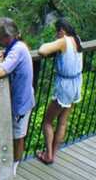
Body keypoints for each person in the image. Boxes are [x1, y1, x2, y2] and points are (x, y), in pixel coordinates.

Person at [34, 19, 83, 164]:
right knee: (62, 122)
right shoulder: (77, 39)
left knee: (47, 121)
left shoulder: (63, 41)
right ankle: (53, 153)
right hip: (76, 83)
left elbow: (42, 50)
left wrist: (54, 42)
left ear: (62, 30)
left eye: (57, 31)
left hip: (65, 86)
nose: (56, 34)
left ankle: (48, 156)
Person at [0, 18, 35, 167]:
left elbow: (0, 72)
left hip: (21, 104)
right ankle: (13, 163)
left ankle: (14, 167)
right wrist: (5, 53)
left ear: (7, 37)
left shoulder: (17, 50)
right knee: (16, 135)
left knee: (18, 137)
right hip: (24, 98)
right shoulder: (18, 46)